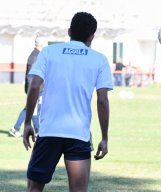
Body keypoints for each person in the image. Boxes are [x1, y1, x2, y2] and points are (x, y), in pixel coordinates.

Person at [23, 12, 113, 191]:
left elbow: (34, 87)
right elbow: (102, 100)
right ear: (91, 36)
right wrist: (104, 138)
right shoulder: (99, 60)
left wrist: (27, 123)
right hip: (78, 134)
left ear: (69, 31)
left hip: (49, 131)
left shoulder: (48, 52)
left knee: (34, 188)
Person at [8, 35, 47, 138]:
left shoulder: (37, 55)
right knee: (34, 110)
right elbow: (31, 76)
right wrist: (32, 91)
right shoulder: (35, 57)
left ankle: (15, 128)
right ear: (41, 44)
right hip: (36, 89)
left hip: (37, 89)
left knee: (29, 109)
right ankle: (38, 131)